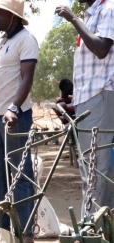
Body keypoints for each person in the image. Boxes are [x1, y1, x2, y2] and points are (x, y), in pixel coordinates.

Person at [0, 1, 39, 242]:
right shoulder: (2, 42)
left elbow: (26, 78)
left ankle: (24, 232)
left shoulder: (27, 39)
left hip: (15, 117)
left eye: (0, 14)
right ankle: (1, 231)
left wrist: (13, 108)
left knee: (19, 173)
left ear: (13, 17)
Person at [55, 0, 114, 217]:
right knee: (96, 166)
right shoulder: (92, 14)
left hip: (99, 94)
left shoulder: (108, 9)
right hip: (88, 97)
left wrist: (73, 19)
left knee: (94, 167)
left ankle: (91, 227)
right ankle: (102, 227)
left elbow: (101, 49)